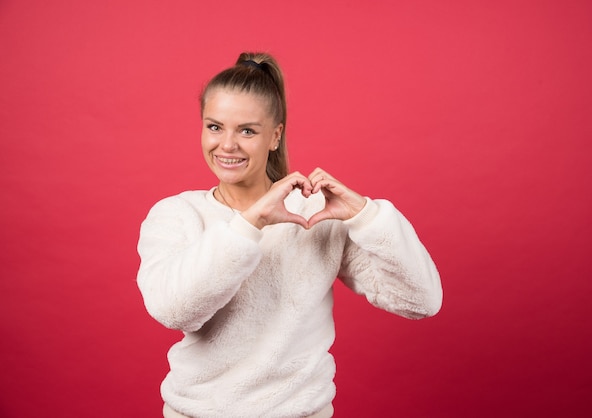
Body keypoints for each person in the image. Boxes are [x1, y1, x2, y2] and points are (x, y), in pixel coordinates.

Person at [137, 52, 443, 418]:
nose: (227, 145)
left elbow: (421, 301)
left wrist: (368, 216)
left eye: (247, 130)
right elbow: (175, 311)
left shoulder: (315, 215)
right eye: (214, 127)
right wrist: (251, 223)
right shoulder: (176, 215)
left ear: (274, 136)